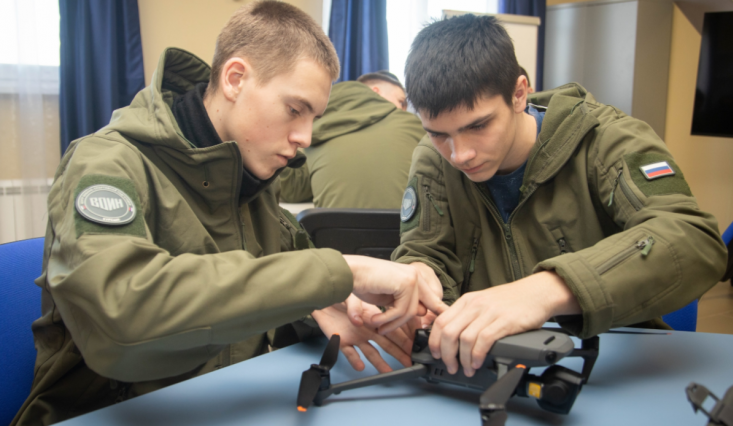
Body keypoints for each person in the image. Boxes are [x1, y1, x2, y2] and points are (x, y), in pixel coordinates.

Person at [11, 3, 444, 425]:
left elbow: (281, 283)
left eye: (314, 117)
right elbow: (121, 317)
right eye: (294, 110)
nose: (305, 137)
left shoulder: (252, 180)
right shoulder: (105, 164)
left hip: (224, 405)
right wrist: (343, 272)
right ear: (235, 79)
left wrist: (319, 307)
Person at [389, 14, 727, 379]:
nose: (460, 155)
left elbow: (693, 240)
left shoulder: (606, 140)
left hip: (608, 365)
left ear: (519, 94)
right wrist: (419, 278)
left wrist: (546, 291)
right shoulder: (432, 157)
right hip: (487, 367)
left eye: (479, 125)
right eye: (439, 134)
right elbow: (427, 250)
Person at [278, 71, 425, 208]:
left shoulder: (311, 130)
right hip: (403, 227)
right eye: (401, 102)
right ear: (376, 92)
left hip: (333, 227)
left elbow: (293, 191)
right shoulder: (412, 124)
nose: (402, 109)